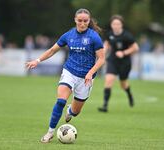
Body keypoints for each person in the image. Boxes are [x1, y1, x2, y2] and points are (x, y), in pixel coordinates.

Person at [26, 8, 105, 143]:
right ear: (75, 20)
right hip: (69, 72)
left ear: (88, 21)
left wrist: (90, 73)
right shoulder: (68, 35)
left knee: (75, 111)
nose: (82, 23)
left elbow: (102, 59)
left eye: (85, 21)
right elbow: (52, 50)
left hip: (85, 79)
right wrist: (37, 60)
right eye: (79, 20)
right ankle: (50, 132)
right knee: (60, 101)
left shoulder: (94, 37)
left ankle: (70, 112)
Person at [98, 15, 139, 112]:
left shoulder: (127, 35)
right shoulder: (109, 34)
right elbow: (107, 44)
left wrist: (124, 52)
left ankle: (129, 94)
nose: (116, 26)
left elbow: (136, 48)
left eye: (118, 24)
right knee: (108, 80)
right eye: (114, 24)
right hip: (112, 60)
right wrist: (103, 51)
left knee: (123, 84)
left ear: (122, 25)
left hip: (125, 62)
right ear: (111, 25)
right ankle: (105, 106)